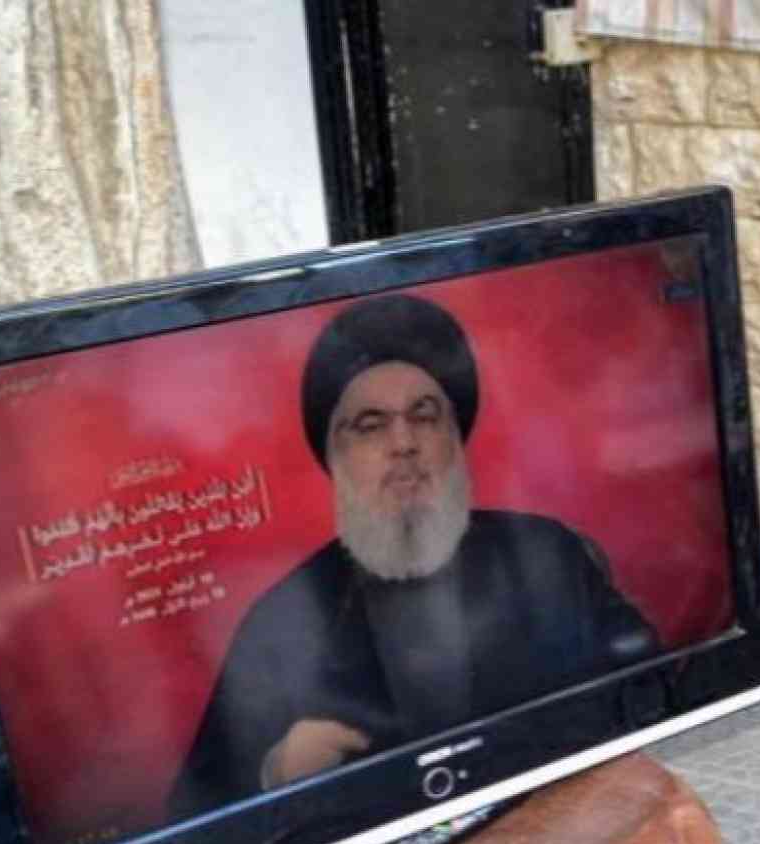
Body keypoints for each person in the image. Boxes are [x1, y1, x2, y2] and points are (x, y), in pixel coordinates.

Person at [168, 294, 660, 817]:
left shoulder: (546, 554)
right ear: (335, 459)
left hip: (557, 819)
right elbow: (193, 817)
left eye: (424, 416)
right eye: (370, 425)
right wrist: (276, 771)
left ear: (455, 440)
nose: (403, 442)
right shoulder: (281, 620)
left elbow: (651, 687)